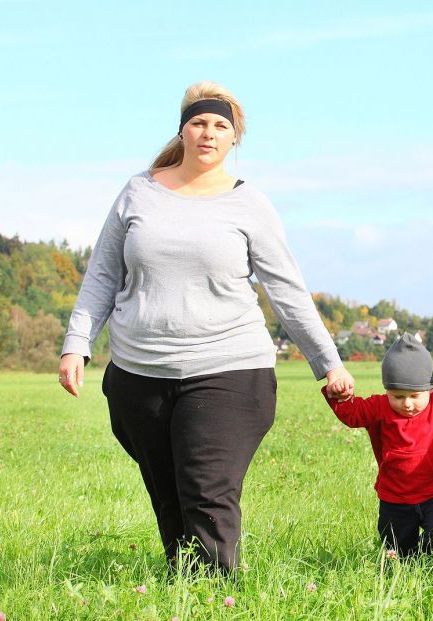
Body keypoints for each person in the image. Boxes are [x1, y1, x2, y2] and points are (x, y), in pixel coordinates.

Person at [58, 80, 354, 573]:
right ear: (183, 131)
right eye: (199, 122)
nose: (209, 133)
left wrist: (329, 363)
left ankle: (219, 596)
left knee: (206, 489)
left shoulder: (248, 204)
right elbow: (104, 274)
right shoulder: (139, 191)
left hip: (229, 368)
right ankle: (185, 587)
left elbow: (287, 291)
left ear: (234, 139)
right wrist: (76, 345)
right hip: (138, 373)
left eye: (221, 125)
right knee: (168, 491)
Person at [324, 334, 433, 556]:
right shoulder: (379, 407)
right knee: (398, 549)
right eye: (398, 396)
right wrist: (341, 396)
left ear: (429, 389)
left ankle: (430, 571)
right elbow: (352, 415)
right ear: (387, 390)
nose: (407, 404)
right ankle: (404, 569)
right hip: (395, 496)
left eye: (415, 395)